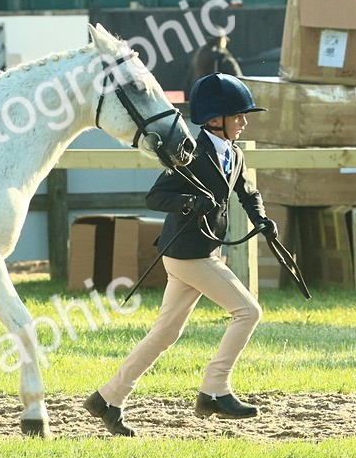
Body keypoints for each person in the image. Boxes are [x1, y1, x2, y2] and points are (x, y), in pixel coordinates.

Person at [84, 72, 277, 437]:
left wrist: (262, 220)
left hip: (199, 251)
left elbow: (247, 193)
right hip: (189, 254)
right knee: (248, 311)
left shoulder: (234, 154)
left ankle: (107, 398)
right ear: (215, 120)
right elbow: (155, 197)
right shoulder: (191, 153)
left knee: (165, 334)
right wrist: (189, 202)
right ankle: (214, 390)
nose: (244, 122)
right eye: (238, 115)